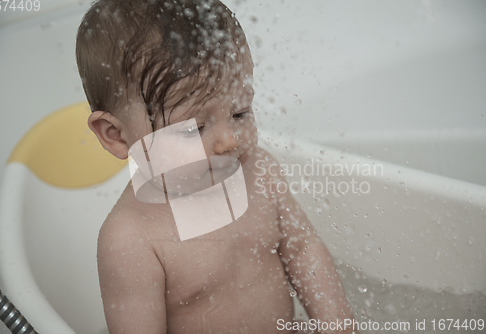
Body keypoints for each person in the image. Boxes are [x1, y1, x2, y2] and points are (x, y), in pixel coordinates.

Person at [76, 0, 356, 332]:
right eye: (193, 129)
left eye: (240, 113)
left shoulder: (259, 171)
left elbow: (303, 249)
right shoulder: (130, 239)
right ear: (117, 135)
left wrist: (338, 325)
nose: (228, 142)